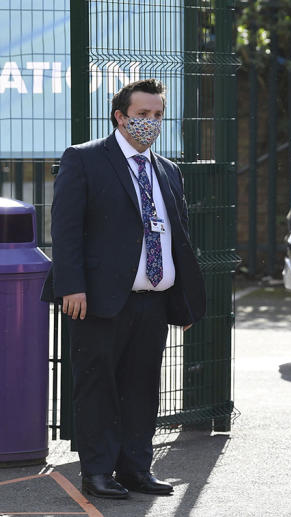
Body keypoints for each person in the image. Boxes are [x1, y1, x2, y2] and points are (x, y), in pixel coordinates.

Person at [40, 79, 206, 499]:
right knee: (97, 387)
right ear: (120, 115)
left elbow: (177, 236)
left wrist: (182, 301)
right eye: (142, 115)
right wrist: (71, 286)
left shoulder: (168, 170)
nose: (150, 123)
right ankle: (97, 473)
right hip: (96, 300)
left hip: (153, 299)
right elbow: (66, 228)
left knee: (142, 388)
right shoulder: (85, 159)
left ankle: (135, 468)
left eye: (157, 116)